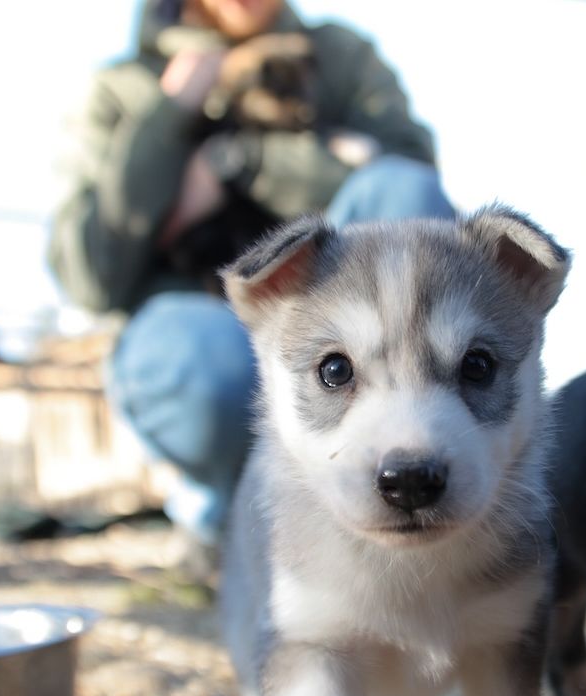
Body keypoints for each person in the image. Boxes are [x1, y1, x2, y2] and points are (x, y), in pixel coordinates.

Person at [49, 0, 454, 579]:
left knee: (403, 195)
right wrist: (167, 117)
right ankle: (225, 518)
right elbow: (89, 276)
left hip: (333, 316)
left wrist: (237, 159)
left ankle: (404, 472)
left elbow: (412, 186)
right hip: (198, 321)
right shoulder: (120, 88)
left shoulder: (339, 55)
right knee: (200, 362)